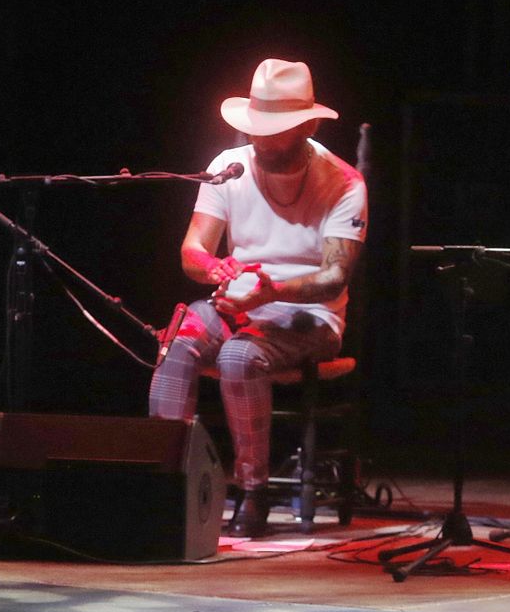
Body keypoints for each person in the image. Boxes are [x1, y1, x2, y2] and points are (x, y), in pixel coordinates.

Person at [150, 58, 367, 538]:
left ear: (307, 125)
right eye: (257, 129)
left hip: (309, 316)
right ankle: (165, 485)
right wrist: (215, 268)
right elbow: (192, 250)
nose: (262, 141)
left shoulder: (344, 183)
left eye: (276, 130)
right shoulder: (228, 169)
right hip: (239, 302)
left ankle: (254, 491)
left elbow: (334, 277)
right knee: (177, 340)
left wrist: (273, 291)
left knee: (239, 355)